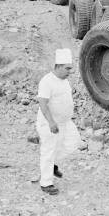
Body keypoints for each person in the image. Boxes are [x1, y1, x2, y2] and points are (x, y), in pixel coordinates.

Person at [36, 49, 81, 195]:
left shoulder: (64, 81)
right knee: (48, 151)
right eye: (67, 68)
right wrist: (51, 122)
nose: (70, 71)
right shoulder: (47, 81)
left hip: (65, 122)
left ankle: (52, 165)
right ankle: (46, 183)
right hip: (50, 123)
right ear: (58, 66)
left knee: (73, 143)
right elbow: (43, 103)